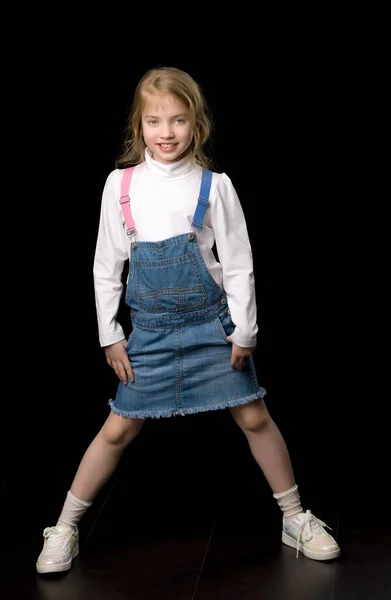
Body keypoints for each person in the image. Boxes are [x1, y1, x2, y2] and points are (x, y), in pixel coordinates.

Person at [36, 66, 340, 574]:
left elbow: (239, 262)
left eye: (178, 120)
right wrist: (110, 334)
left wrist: (244, 330)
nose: (167, 132)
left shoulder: (214, 185)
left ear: (195, 125)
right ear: (139, 127)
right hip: (149, 332)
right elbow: (106, 264)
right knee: (116, 431)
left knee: (254, 416)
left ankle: (295, 517)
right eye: (154, 121)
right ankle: (64, 526)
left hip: (211, 327)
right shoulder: (121, 184)